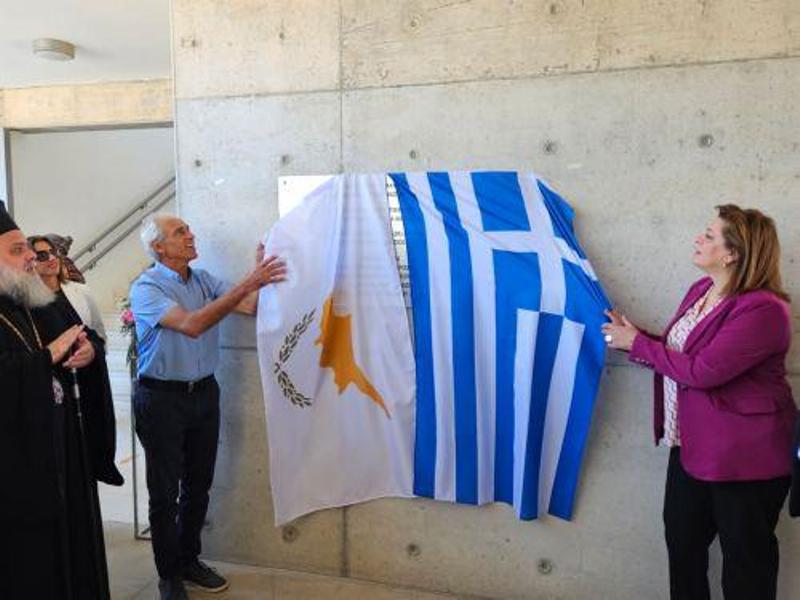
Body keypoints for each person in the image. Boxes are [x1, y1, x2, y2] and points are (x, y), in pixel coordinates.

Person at [602, 204, 795, 600]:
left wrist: (637, 345)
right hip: (691, 445)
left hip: (745, 459)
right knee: (683, 545)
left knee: (746, 564)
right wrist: (638, 338)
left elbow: (704, 371)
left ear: (733, 253)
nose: (697, 238)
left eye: (709, 235)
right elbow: (684, 353)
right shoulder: (701, 292)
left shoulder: (764, 310)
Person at [130, 214, 286, 600]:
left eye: (188, 229)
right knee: (164, 493)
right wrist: (251, 281)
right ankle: (169, 575)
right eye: (179, 232)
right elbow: (193, 325)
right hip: (161, 399)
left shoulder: (202, 280)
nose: (190, 235)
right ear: (159, 248)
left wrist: (257, 272)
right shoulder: (146, 288)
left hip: (203, 395)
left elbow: (249, 306)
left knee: (198, 486)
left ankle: (189, 560)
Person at [0, 204, 123, 600]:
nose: (31, 259)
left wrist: (88, 355)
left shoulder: (31, 300)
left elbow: (80, 338)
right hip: (16, 474)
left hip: (62, 452)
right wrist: (46, 358)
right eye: (18, 250)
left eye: (29, 250)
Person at [29, 235, 106, 339]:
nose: (52, 258)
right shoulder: (27, 302)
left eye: (54, 252)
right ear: (29, 261)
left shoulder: (81, 290)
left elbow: (99, 333)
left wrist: (94, 351)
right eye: (42, 255)